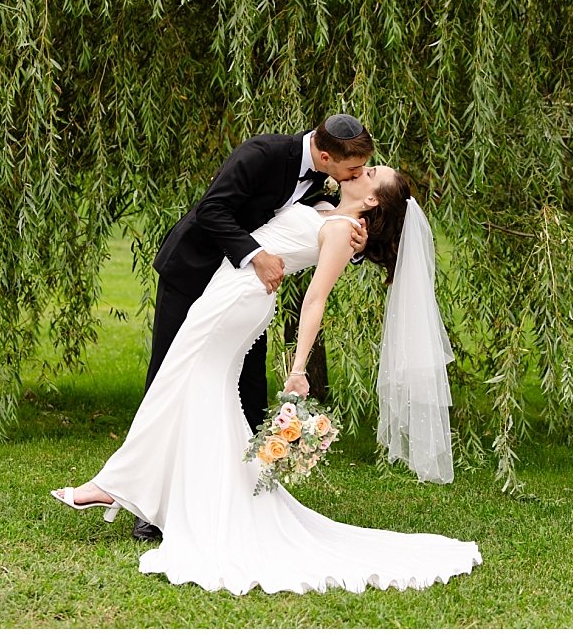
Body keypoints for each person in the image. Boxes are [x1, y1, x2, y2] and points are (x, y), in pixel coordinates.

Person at [52, 163, 482, 595]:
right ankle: (171, 496)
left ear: (372, 200)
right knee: (198, 395)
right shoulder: (331, 211)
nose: (361, 168)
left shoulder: (339, 230)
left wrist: (298, 369)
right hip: (229, 290)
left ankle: (111, 486)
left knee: (174, 383)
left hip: (238, 300)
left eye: (370, 172)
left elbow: (315, 301)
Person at [128, 114, 373, 541]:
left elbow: (317, 223)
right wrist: (255, 254)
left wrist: (353, 243)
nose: (354, 177)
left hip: (243, 295)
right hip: (195, 274)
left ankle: (238, 497)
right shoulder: (262, 154)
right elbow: (212, 209)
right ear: (327, 155)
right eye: (352, 170)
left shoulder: (323, 175)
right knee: (171, 375)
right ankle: (152, 504)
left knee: (247, 389)